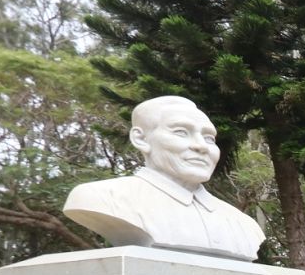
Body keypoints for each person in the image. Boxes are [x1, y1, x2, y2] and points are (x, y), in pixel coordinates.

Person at [62, 95, 267, 260]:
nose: (201, 146)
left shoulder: (244, 225)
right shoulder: (101, 198)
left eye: (209, 138)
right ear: (141, 139)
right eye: (181, 132)